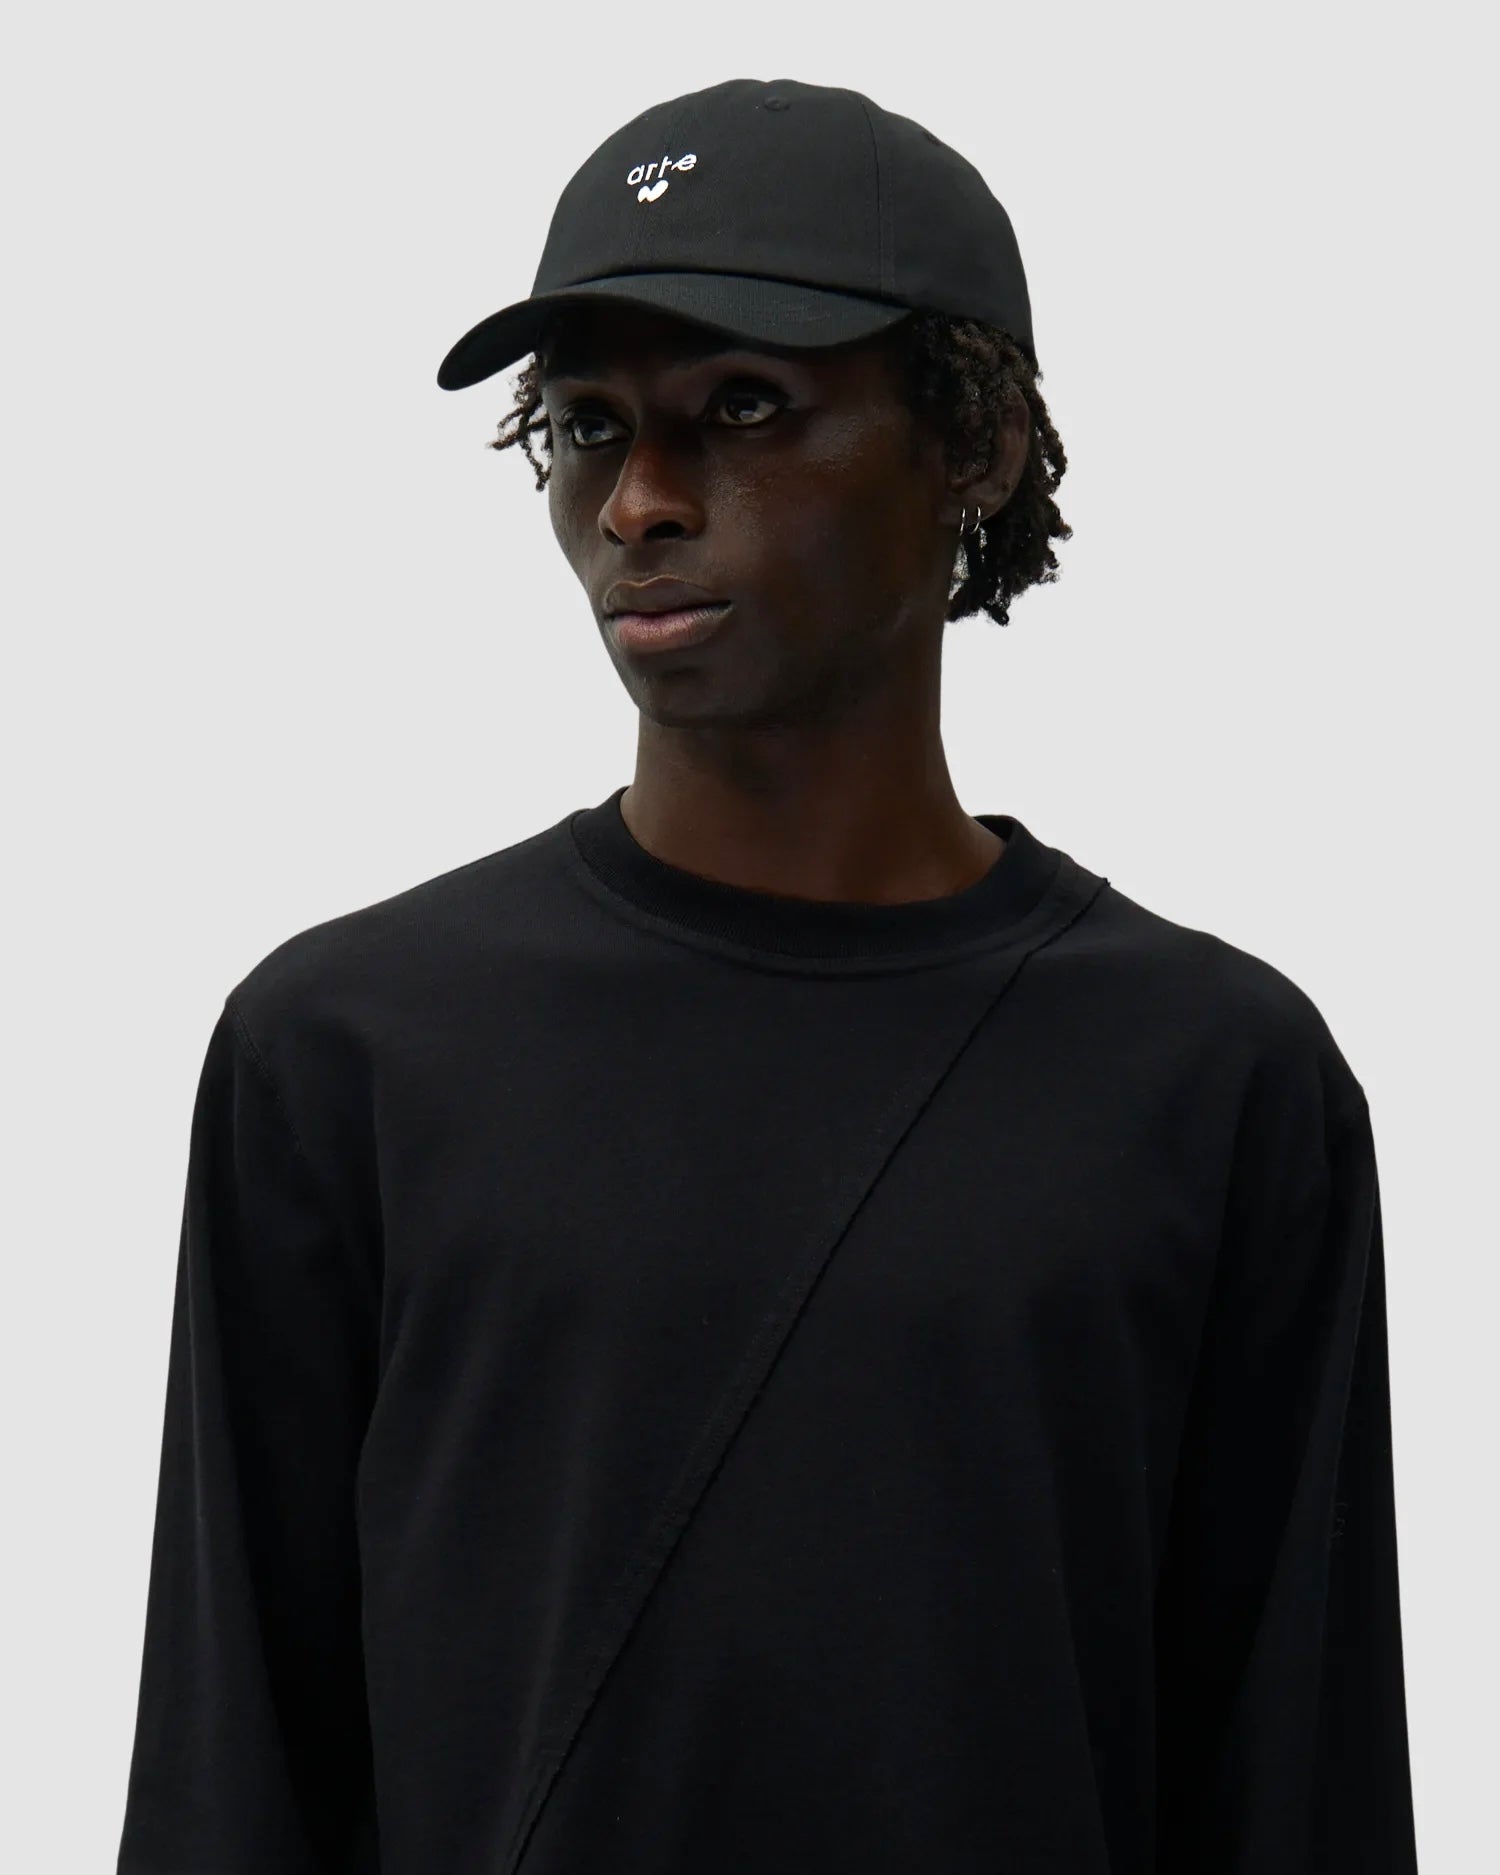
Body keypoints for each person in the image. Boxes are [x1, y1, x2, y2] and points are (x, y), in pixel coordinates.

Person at [115, 76, 1420, 1875]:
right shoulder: (342, 1053)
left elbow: (1300, 1781)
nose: (640, 501)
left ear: (980, 440)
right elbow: (230, 1773)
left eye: (744, 406)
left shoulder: (1215, 1080)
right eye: (586, 426)